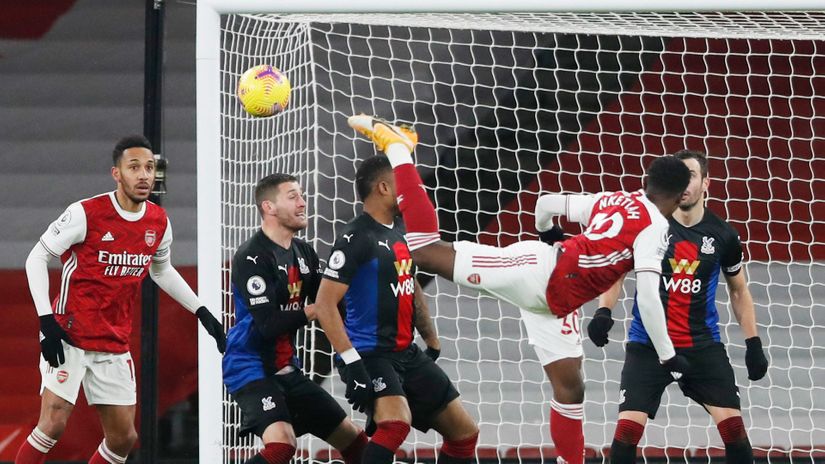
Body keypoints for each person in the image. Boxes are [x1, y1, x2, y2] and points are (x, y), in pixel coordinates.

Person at [345, 114, 692, 464]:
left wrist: (547, 231)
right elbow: (647, 297)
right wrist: (668, 355)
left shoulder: (619, 199)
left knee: (571, 388)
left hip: (556, 300)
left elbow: (546, 204)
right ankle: (400, 149)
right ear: (679, 198)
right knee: (425, 252)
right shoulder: (656, 229)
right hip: (536, 274)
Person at [15, 135, 226, 464]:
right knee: (53, 425)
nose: (144, 175)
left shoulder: (158, 221)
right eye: (134, 167)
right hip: (68, 332)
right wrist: (46, 320)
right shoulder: (85, 213)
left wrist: (201, 310)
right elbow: (37, 257)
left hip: (113, 340)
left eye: (150, 168)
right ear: (117, 174)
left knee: (123, 439)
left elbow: (162, 270)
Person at [588, 150, 769, 464]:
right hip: (648, 346)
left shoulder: (723, 235)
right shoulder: (648, 227)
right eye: (680, 177)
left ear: (706, 183)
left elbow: (738, 291)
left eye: (692, 176)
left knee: (735, 432)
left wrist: (753, 343)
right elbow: (617, 271)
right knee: (626, 434)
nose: (685, 184)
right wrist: (604, 311)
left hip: (702, 345)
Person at [314, 156, 480, 464]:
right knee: (395, 424)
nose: (411, 190)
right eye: (403, 184)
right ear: (383, 187)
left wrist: (431, 338)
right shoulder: (355, 238)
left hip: (406, 352)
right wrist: (352, 363)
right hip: (369, 355)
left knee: (464, 434)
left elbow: (410, 282)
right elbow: (324, 304)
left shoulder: (402, 230)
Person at [221, 174, 367, 464]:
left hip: (289, 370)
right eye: (293, 196)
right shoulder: (251, 257)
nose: (303, 203)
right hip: (251, 368)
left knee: (358, 445)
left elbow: (334, 303)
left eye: (301, 196)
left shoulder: (304, 253)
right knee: (282, 446)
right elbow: (267, 326)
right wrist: (315, 309)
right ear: (269, 207)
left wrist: (357, 356)